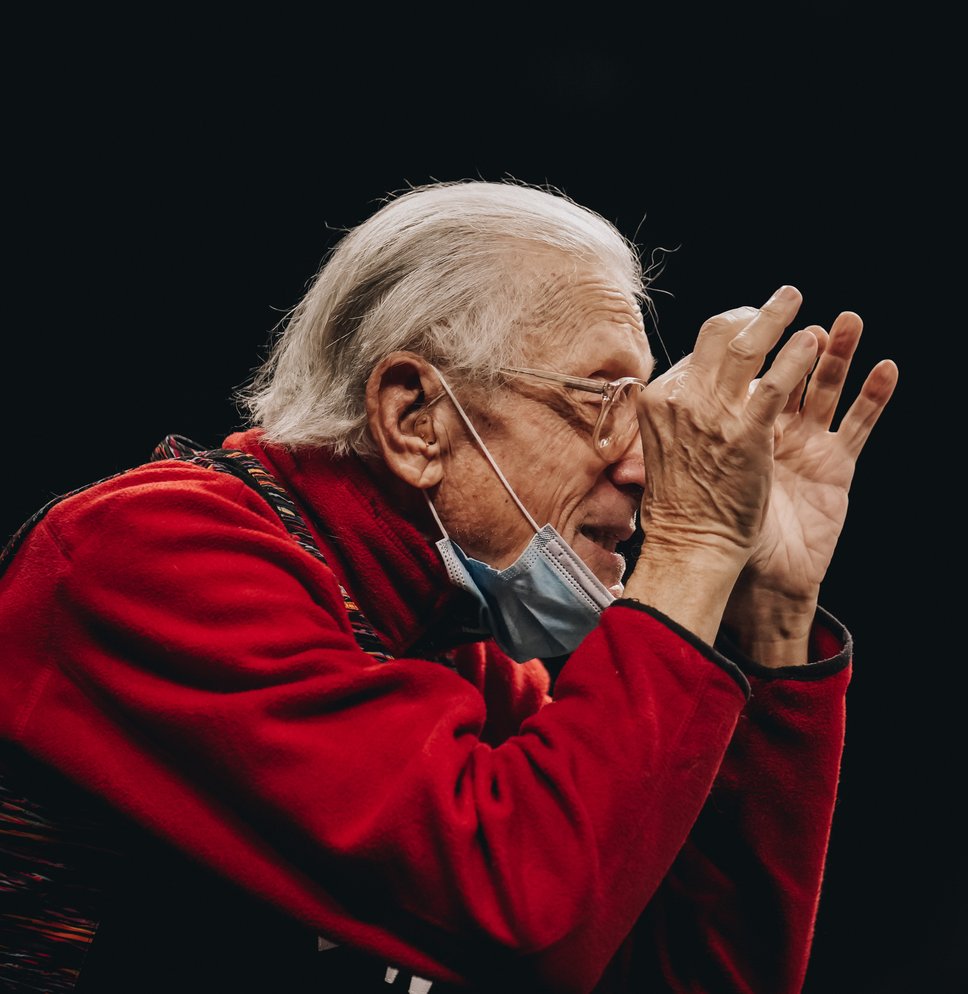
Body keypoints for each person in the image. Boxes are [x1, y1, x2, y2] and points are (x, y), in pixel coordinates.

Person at [0, 179, 898, 994]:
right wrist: (696, 541)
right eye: (601, 400)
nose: (645, 467)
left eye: (648, 411)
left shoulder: (473, 662)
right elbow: (521, 923)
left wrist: (767, 624)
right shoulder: (150, 554)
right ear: (416, 419)